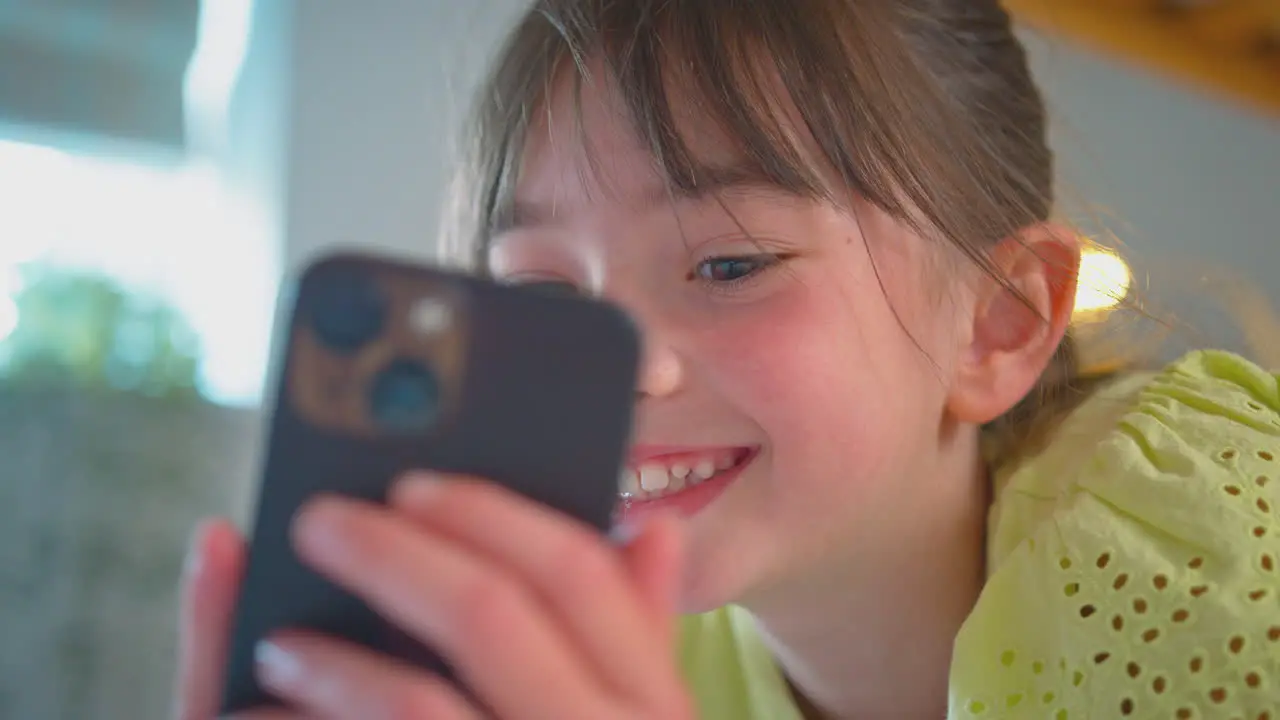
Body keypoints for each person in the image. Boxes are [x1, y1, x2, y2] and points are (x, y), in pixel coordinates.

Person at [175, 0, 1280, 718]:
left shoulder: (1199, 573)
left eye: (729, 265)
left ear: (995, 322)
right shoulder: (652, 648)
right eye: (544, 292)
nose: (623, 369)